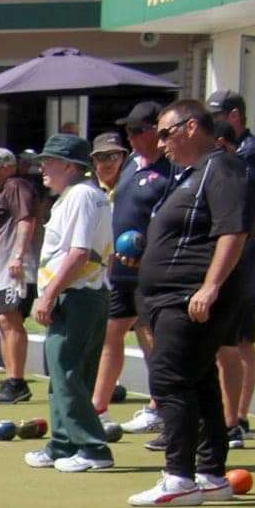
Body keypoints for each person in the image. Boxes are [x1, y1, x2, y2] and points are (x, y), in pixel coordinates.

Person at [129, 100, 247, 507]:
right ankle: (211, 475)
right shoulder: (191, 174)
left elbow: (233, 230)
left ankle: (178, 477)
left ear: (191, 126)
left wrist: (210, 286)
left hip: (189, 296)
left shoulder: (222, 166)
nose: (160, 143)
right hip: (173, 296)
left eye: (166, 132)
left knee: (170, 379)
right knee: (198, 381)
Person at [23, 135, 115, 473]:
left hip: (76, 295)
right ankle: (63, 444)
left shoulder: (80, 196)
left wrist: (48, 295)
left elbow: (78, 252)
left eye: (49, 161)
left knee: (68, 371)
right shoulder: (79, 196)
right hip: (82, 293)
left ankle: (93, 448)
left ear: (68, 166)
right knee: (65, 371)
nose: (42, 168)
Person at [107, 103, 176, 427]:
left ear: (155, 130)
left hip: (150, 266)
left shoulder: (171, 169)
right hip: (119, 266)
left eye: (137, 131)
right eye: (128, 131)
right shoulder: (131, 163)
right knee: (113, 331)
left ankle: (158, 405)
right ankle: (98, 405)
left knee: (150, 333)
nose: (130, 138)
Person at [212, 122, 255, 448]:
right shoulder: (199, 176)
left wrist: (244, 242)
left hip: (240, 273)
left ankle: (235, 421)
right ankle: (220, 422)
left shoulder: (245, 173)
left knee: (237, 343)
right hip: (207, 274)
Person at [0, 148, 38, 405]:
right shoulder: (2, 191)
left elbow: (26, 220)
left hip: (12, 269)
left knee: (10, 320)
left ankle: (17, 382)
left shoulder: (15, 185)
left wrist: (18, 256)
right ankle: (11, 379)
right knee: (3, 321)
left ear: (6, 168)